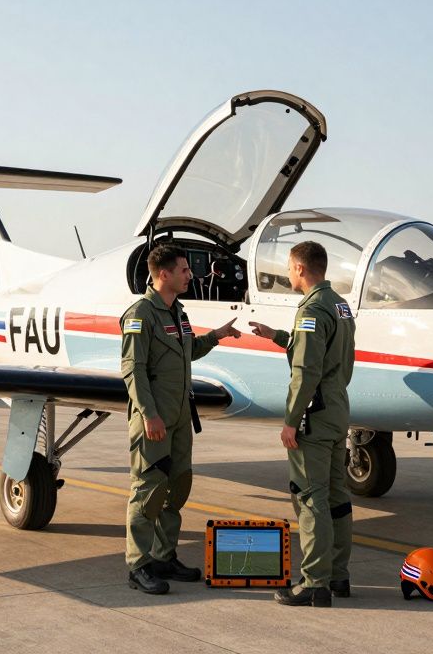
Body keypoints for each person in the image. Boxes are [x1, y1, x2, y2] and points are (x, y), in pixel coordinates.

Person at [122, 243, 240, 595]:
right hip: (155, 419)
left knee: (176, 489)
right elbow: (133, 369)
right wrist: (149, 414)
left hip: (178, 419)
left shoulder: (178, 312)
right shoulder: (140, 314)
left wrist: (215, 337)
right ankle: (138, 565)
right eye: (184, 270)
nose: (191, 275)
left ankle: (163, 556)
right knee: (147, 491)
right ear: (163, 274)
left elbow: (188, 351)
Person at [249, 241, 356, 607]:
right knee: (338, 497)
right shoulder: (340, 306)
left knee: (311, 499)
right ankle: (338, 576)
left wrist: (291, 421)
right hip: (338, 409)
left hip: (315, 413)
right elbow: (334, 356)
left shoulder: (310, 309)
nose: (288, 274)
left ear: (299, 268)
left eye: (289, 268)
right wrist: (276, 335)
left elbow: (306, 370)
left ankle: (314, 582)